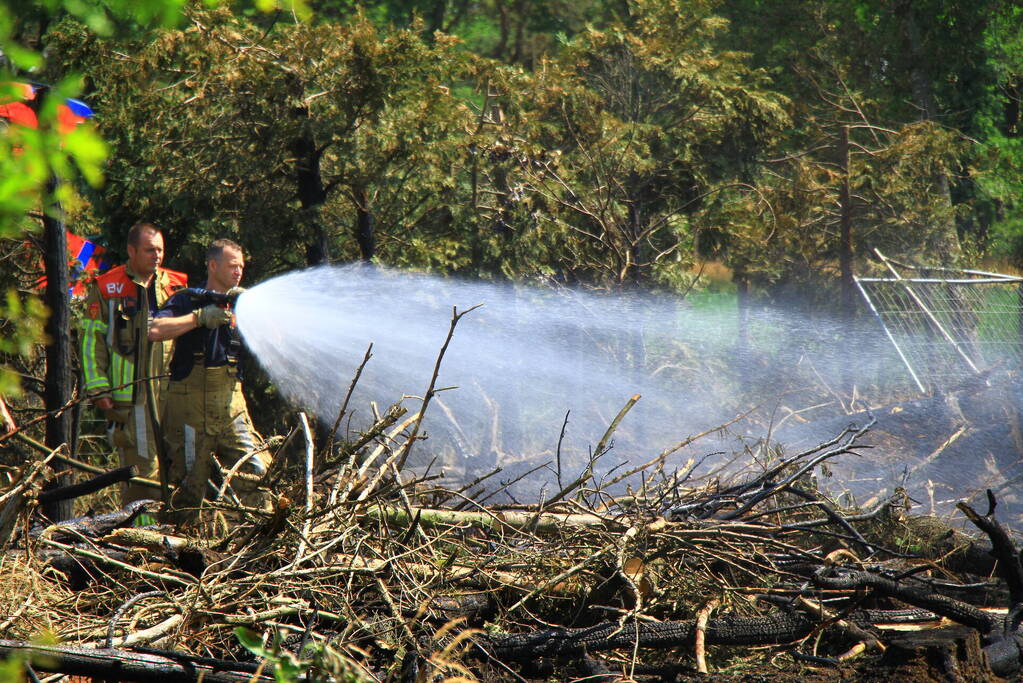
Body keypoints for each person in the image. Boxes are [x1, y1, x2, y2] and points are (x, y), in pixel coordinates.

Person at [150, 238, 268, 523]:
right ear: (213, 266)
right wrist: (199, 317)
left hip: (231, 407)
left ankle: (262, 549)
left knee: (257, 474)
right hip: (191, 410)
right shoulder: (187, 299)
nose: (238, 271)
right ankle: (180, 554)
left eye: (241, 266)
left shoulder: (242, 304)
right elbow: (154, 329)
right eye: (232, 266)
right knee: (187, 490)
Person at [80, 222, 187, 505]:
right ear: (131, 250)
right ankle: (140, 537)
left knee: (180, 466)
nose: (157, 256)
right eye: (150, 250)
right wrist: (98, 388)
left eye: (160, 250)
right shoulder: (107, 287)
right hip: (129, 398)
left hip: (172, 396)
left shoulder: (176, 285)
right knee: (142, 473)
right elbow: (92, 341)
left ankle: (177, 532)